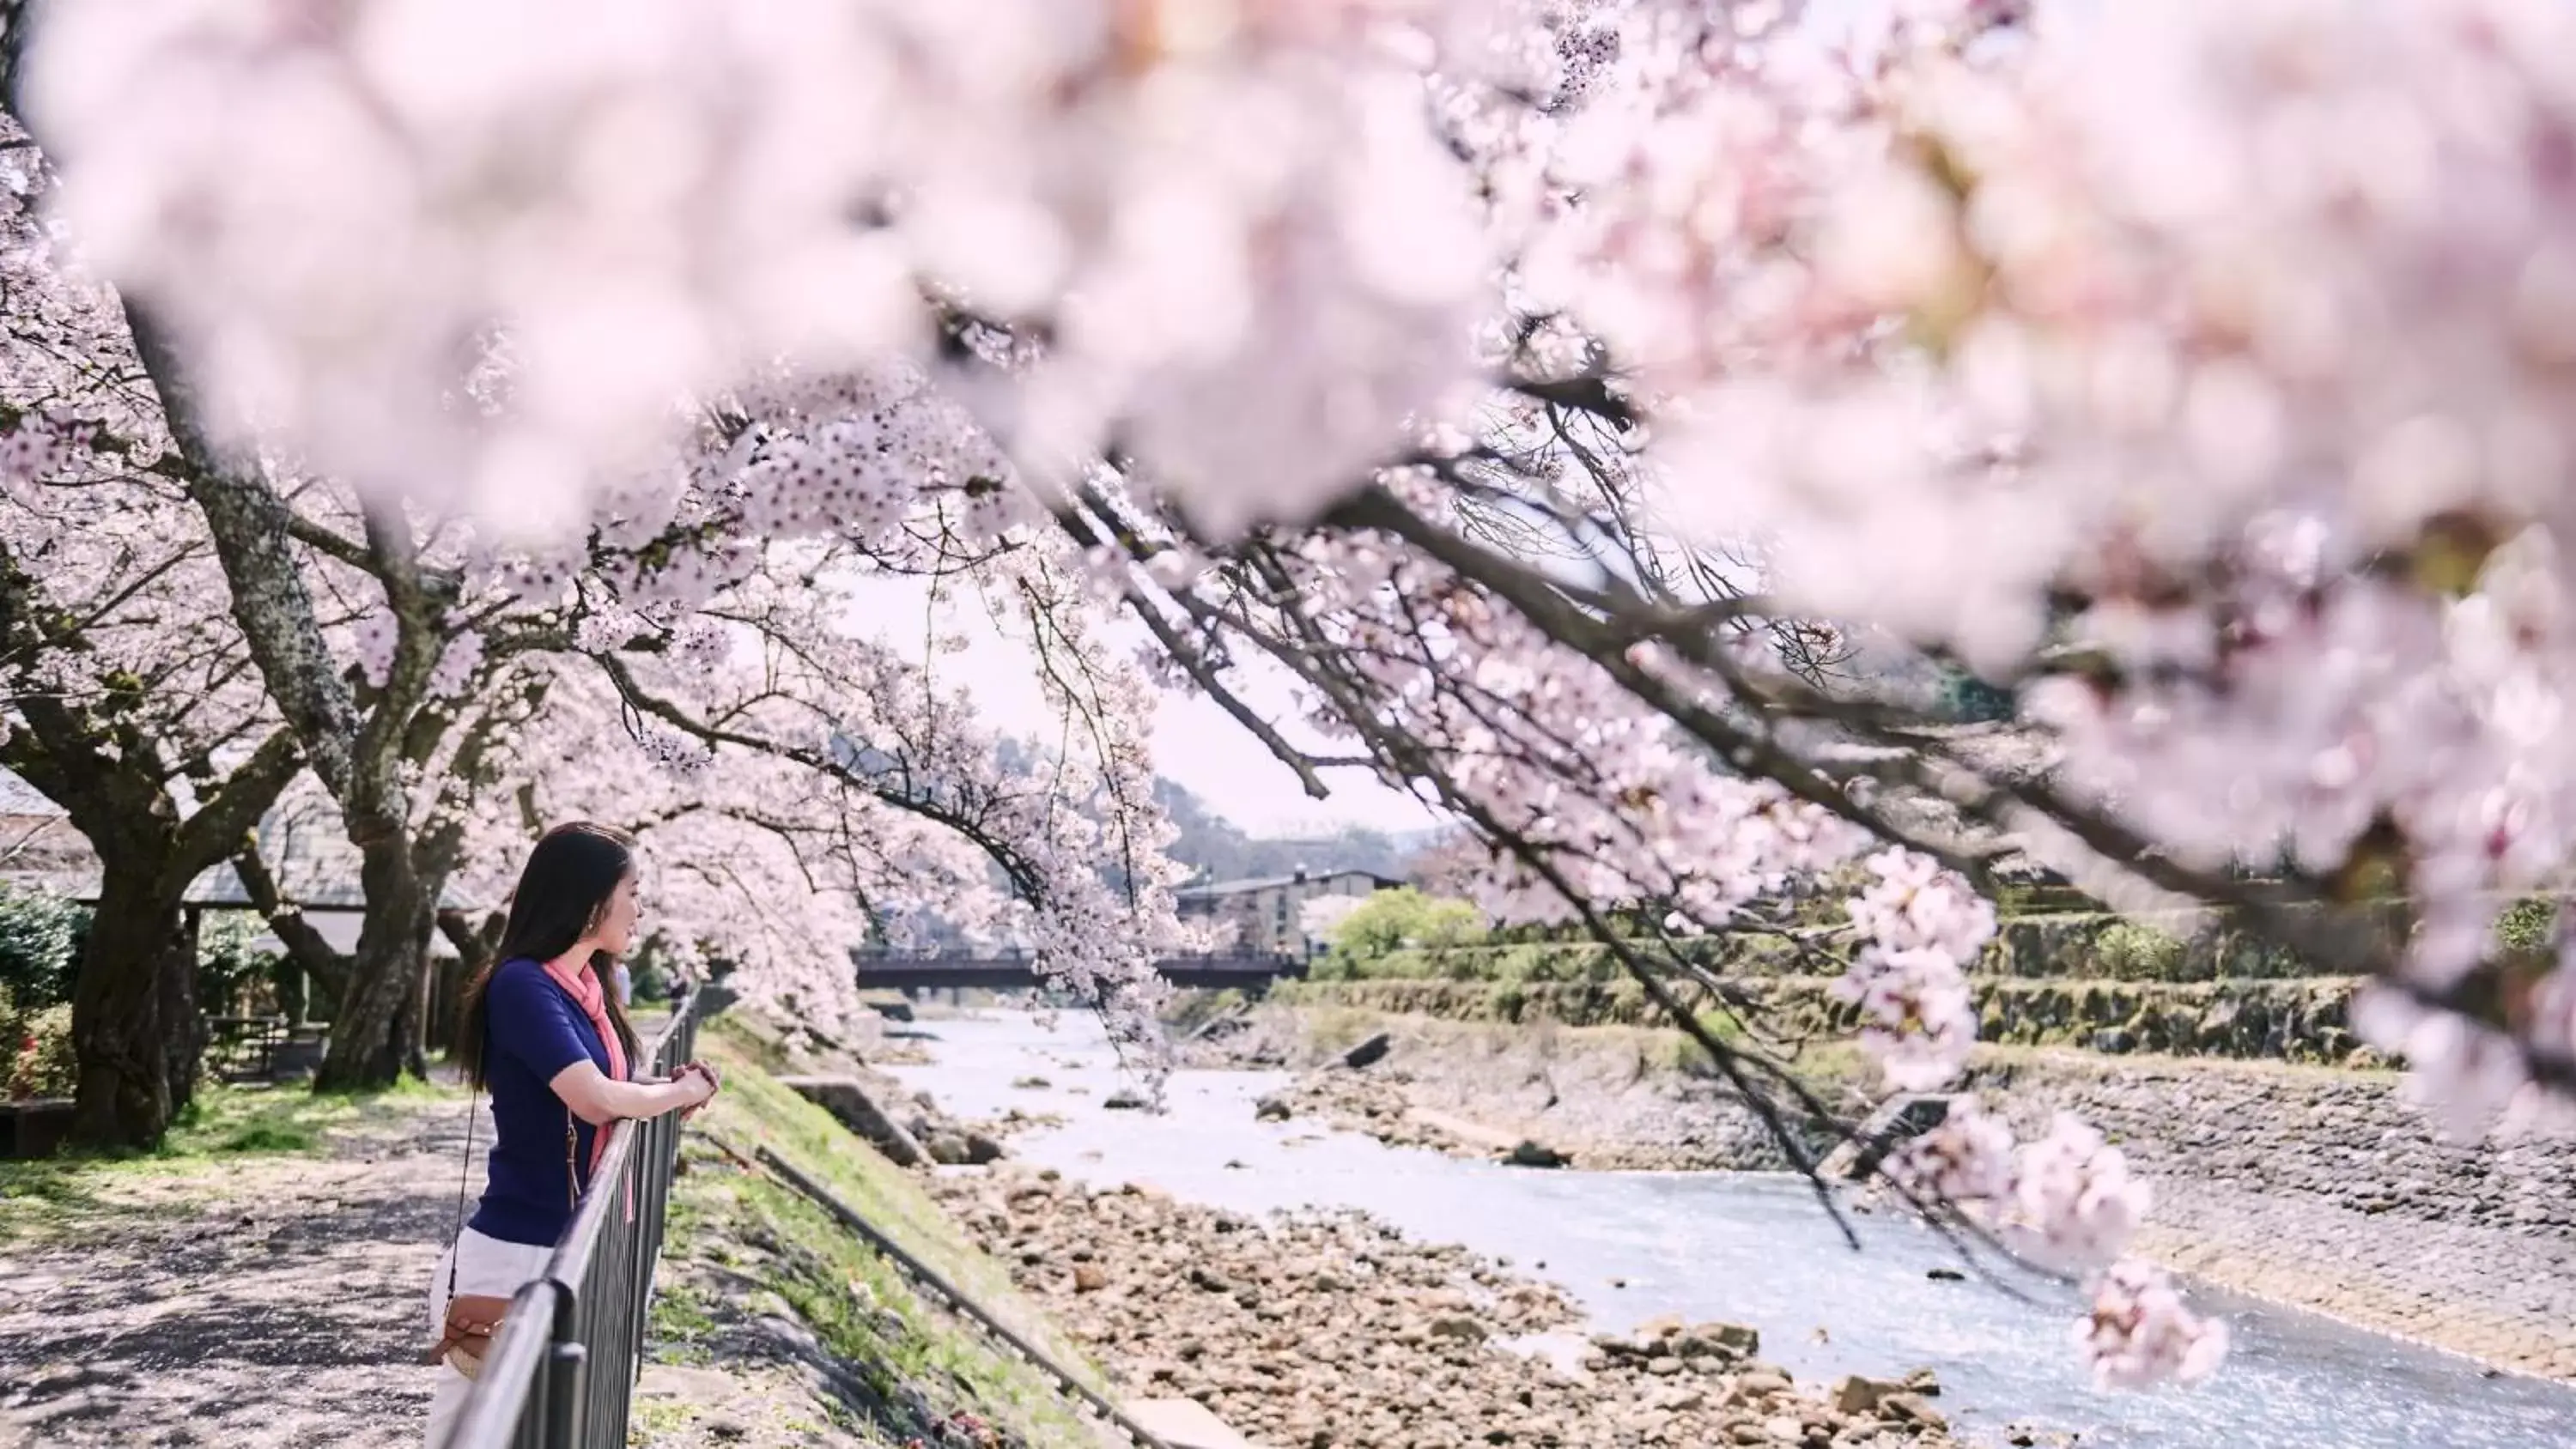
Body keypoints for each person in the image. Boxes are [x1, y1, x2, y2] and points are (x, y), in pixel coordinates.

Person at [422, 822, 719, 1446]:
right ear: (589, 901)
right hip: (515, 1252)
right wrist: (679, 1094)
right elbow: (594, 1099)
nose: (641, 910)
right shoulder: (524, 983)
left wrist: (657, 1092)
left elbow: (614, 1086)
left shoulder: (588, 991)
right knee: (475, 1434)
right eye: (632, 891)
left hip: (553, 1247)